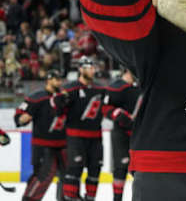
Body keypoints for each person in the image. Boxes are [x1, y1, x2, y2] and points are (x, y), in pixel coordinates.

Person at [51, 56, 107, 201]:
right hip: (75, 137)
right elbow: (58, 110)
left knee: (95, 170)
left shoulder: (100, 89)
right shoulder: (70, 88)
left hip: (96, 137)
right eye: (89, 67)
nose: (92, 70)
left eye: (93, 67)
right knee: (74, 170)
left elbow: (108, 108)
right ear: (81, 69)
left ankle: (90, 198)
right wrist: (59, 103)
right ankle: (70, 198)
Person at [14, 69, 66, 201]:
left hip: (63, 144)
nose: (59, 82)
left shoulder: (65, 97)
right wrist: (22, 118)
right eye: (56, 79)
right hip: (43, 145)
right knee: (42, 176)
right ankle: (29, 199)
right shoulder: (37, 97)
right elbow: (20, 116)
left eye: (60, 79)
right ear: (48, 80)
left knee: (68, 176)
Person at [103, 68, 143, 201]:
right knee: (120, 168)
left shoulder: (143, 84)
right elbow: (105, 108)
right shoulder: (117, 87)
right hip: (122, 134)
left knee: (141, 170)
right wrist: (117, 114)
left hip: (140, 134)